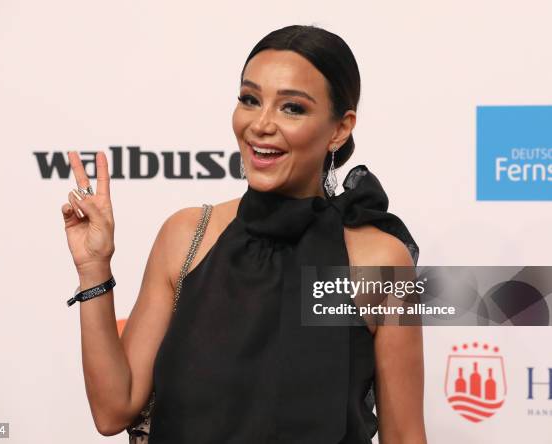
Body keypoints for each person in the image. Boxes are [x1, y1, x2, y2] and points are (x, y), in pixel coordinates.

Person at [61, 25, 427, 443]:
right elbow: (113, 410)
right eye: (250, 100)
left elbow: (404, 436)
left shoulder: (378, 261)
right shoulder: (186, 236)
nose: (261, 125)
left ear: (340, 129)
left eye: (292, 108)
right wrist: (93, 269)